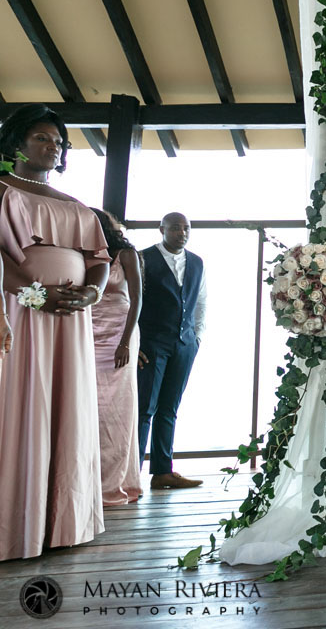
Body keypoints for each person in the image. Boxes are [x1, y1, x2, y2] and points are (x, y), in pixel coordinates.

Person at [0, 103, 110, 560]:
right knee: (25, 405)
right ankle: (16, 521)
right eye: (43, 138)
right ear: (17, 143)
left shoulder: (77, 207)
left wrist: (93, 295)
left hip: (70, 323)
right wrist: (33, 294)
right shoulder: (4, 192)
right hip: (22, 315)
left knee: (64, 407)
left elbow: (100, 261)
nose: (53, 146)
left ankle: (62, 522)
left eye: (59, 141)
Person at [138, 212, 205, 489]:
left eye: (186, 228)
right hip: (151, 343)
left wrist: (197, 338)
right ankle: (130, 475)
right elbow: (132, 302)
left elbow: (201, 300)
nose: (182, 233)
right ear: (162, 229)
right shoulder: (143, 259)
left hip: (184, 344)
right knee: (145, 409)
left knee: (169, 408)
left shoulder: (197, 262)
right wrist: (134, 342)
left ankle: (163, 471)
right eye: (176, 228)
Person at [90, 208, 145, 506]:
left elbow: (136, 299)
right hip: (87, 332)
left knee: (116, 408)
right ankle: (89, 479)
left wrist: (125, 342)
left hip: (119, 330)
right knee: (90, 408)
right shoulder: (83, 253)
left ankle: (116, 482)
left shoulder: (125, 254)